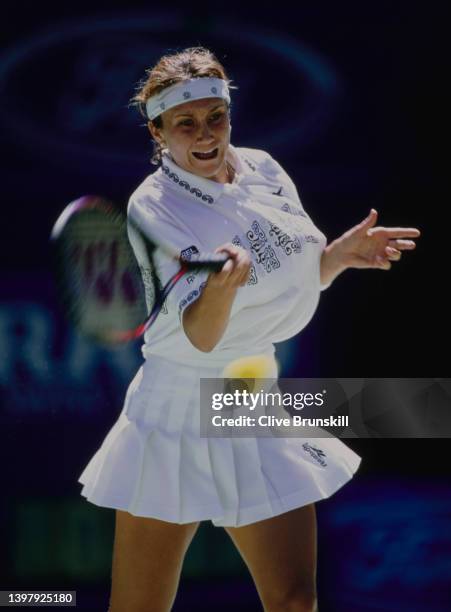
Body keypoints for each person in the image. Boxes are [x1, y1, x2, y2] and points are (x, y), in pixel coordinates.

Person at [78, 46, 420, 612]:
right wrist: (219, 289)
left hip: (251, 397)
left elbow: (291, 279)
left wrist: (338, 257)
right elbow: (202, 335)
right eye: (184, 124)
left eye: (216, 116)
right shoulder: (153, 207)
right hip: (176, 411)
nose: (205, 133)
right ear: (158, 131)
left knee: (294, 600)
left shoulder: (265, 169)